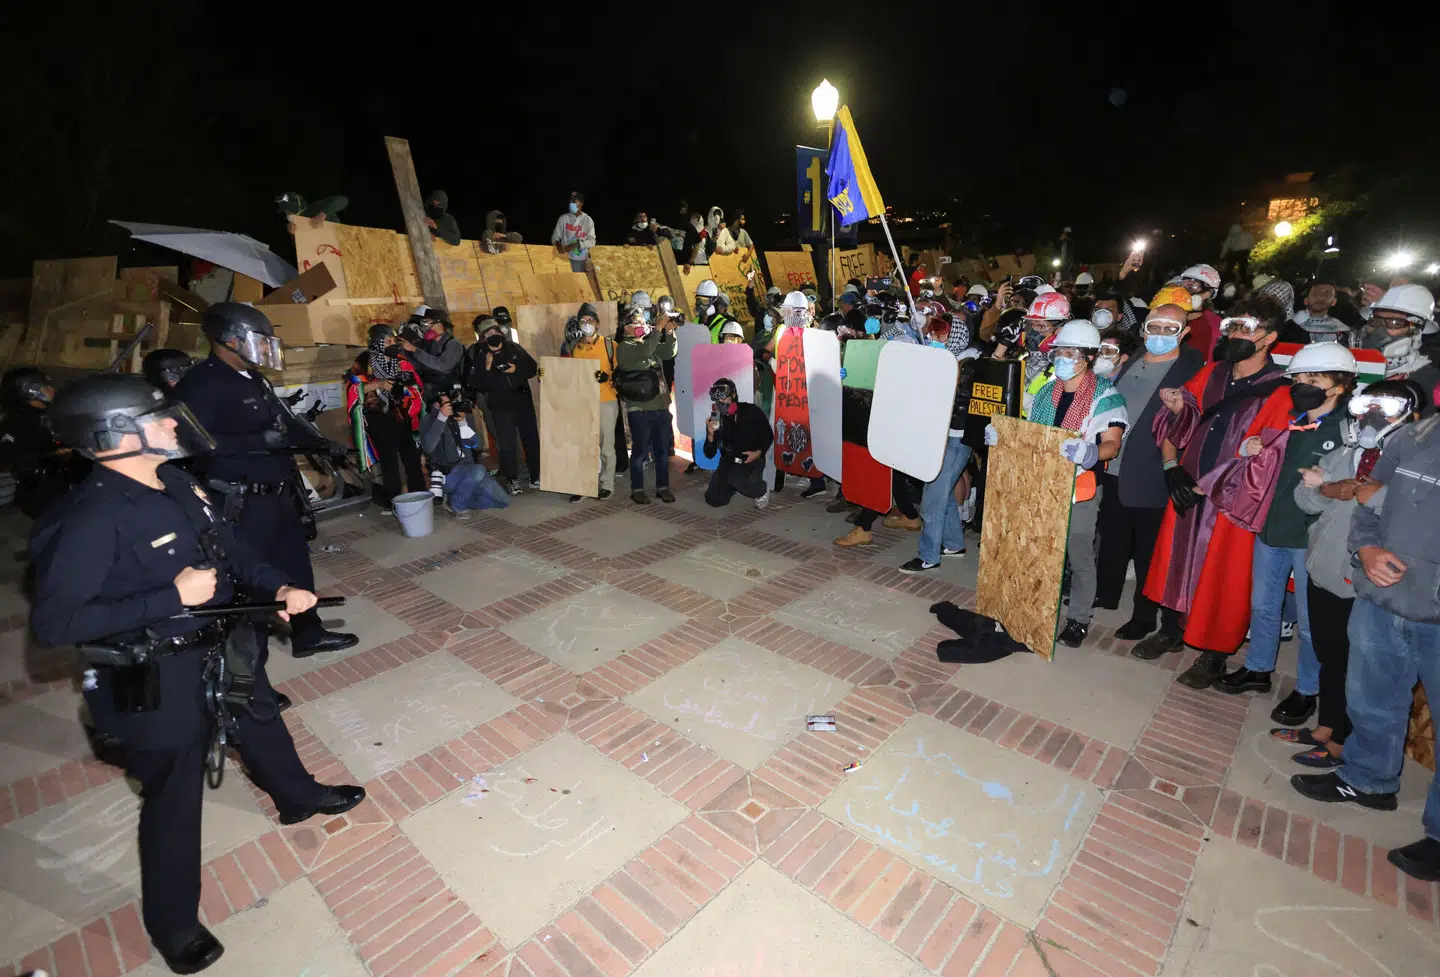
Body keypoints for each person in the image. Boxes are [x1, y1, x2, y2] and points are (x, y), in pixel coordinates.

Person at [30, 374, 364, 973]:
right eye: (157, 419)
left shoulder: (174, 480)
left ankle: (297, 795)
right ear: (113, 437)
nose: (171, 425)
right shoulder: (88, 519)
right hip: (153, 672)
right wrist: (168, 595)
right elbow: (56, 625)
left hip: (220, 642)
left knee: (261, 721)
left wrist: (279, 585)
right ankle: (174, 924)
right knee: (174, 794)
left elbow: (228, 547)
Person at [1289, 407, 1440, 884]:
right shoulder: (1414, 438)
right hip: (1383, 595)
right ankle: (1369, 780)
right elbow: (1365, 501)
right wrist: (1367, 550)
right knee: (1373, 699)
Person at [173, 303, 357, 657]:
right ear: (229, 340)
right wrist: (256, 442)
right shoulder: (201, 384)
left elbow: (284, 422)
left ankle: (308, 633)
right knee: (250, 584)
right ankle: (252, 677)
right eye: (258, 341)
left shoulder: (254, 378)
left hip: (278, 496)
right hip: (242, 504)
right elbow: (188, 443)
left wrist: (321, 444)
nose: (265, 349)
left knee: (296, 567)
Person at [1135, 293, 1295, 686]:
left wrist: (1210, 485)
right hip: (1187, 486)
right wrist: (1172, 467)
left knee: (1225, 573)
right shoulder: (1212, 373)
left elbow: (1268, 457)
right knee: (1176, 559)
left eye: (1248, 327)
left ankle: (1214, 654)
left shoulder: (1280, 390)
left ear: (1269, 337)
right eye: (1234, 325)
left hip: (1233, 499)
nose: (1238, 333)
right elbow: (1173, 417)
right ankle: (1171, 631)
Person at [1278, 379, 1426, 767]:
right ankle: (1325, 728)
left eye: (1389, 406)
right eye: (1369, 404)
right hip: (1324, 565)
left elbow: (1405, 512)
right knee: (1329, 654)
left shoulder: (1411, 463)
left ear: (1413, 416)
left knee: (1354, 664)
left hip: (1363, 578)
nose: (1375, 414)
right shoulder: (1348, 449)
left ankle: (1342, 743)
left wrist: (1340, 488)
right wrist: (1328, 488)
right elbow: (1305, 498)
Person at [1212, 343, 1359, 726]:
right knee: (1264, 605)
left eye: (1315, 379)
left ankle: (1307, 689)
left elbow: (1357, 486)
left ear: (1339, 386)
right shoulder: (1293, 419)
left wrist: (1330, 481)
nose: (1303, 385)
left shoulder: (1349, 431)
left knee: (1311, 623)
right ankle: (1258, 669)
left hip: (1313, 536)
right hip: (1275, 525)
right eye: (1299, 378)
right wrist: (1253, 448)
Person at [985, 321, 1128, 646]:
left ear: (1088, 356)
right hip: (1040, 482)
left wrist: (1091, 452)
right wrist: (1003, 436)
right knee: (1035, 550)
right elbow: (1029, 429)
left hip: (1080, 488)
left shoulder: (1106, 397)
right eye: (1058, 351)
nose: (1061, 357)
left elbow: (1113, 444)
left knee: (1078, 555)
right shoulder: (1047, 390)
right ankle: (1030, 609)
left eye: (1069, 352)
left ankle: (1078, 619)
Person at [1094, 305, 1205, 639]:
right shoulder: (1133, 358)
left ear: (1184, 332)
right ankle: (1107, 594)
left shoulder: (1191, 368)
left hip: (1151, 473)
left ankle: (1145, 616)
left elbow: (1195, 422)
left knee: (1148, 553)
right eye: (1154, 326)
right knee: (1113, 538)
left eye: (1169, 328)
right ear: (1143, 328)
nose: (1159, 334)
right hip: (1113, 467)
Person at [900, 311, 979, 573]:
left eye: (941, 333)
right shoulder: (945, 358)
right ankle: (954, 544)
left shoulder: (969, 362)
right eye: (932, 332)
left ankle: (928, 556)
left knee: (933, 498)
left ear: (955, 334)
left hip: (955, 438)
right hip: (941, 435)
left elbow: (955, 395)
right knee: (941, 496)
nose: (935, 337)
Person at [349, 324, 426, 511]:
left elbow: (416, 385)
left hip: (402, 415)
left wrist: (406, 389)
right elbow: (352, 388)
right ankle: (393, 501)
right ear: (376, 342)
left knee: (412, 457)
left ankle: (421, 496)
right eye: (388, 340)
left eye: (393, 340)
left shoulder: (400, 359)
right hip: (378, 418)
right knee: (389, 461)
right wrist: (379, 384)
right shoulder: (364, 361)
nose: (392, 344)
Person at [0, 367, 84, 518]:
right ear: (31, 391)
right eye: (45, 386)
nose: (51, 389)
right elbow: (13, 459)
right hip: (40, 492)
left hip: (61, 482)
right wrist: (53, 455)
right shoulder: (17, 422)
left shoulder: (48, 414)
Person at [470, 318, 540, 494]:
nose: (493, 335)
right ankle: (513, 479)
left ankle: (536, 475)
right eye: (488, 334)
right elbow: (479, 384)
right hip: (501, 406)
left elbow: (532, 368)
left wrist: (516, 369)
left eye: (494, 332)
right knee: (507, 443)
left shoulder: (514, 348)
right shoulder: (481, 356)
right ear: (483, 338)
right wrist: (486, 367)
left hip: (522, 400)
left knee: (531, 438)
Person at [616, 306, 677, 503]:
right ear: (625, 327)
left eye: (643, 322)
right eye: (636, 322)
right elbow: (645, 351)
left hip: (660, 405)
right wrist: (658, 329)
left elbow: (668, 352)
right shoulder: (625, 347)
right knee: (640, 452)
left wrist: (669, 331)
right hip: (640, 409)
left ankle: (663, 486)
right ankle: (637, 488)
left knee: (661, 451)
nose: (641, 325)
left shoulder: (646, 342)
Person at [561, 302, 620, 501]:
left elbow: (622, 375)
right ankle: (584, 485)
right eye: (583, 321)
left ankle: (607, 484)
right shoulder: (573, 347)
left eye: (590, 320)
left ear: (598, 324)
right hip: (582, 403)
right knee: (583, 446)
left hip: (606, 401)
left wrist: (608, 377)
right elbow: (565, 373)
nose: (586, 323)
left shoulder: (610, 346)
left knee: (606, 447)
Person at [418, 389, 507, 516]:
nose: (451, 405)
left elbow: (478, 446)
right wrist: (441, 419)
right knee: (479, 471)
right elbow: (428, 447)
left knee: (501, 500)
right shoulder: (429, 420)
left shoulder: (461, 416)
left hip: (468, 469)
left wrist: (464, 425)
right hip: (448, 475)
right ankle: (456, 504)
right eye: (446, 403)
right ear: (437, 404)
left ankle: (463, 495)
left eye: (451, 401)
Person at [1357, 283, 1440, 402]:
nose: (1380, 329)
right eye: (1375, 321)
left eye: (1394, 322)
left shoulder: (1430, 382)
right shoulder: (1349, 368)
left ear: (1415, 332)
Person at [702, 378, 773, 507]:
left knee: (735, 477)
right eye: (717, 400)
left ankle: (761, 489)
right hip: (728, 462)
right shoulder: (717, 418)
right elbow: (709, 453)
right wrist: (710, 435)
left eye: (724, 399)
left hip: (749, 460)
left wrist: (758, 452)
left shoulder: (750, 411)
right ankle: (734, 487)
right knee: (714, 499)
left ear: (733, 395)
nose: (720, 403)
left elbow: (768, 435)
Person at [400, 307, 465, 393]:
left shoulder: (453, 344)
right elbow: (422, 366)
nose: (425, 329)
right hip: (431, 390)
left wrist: (414, 349)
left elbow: (442, 366)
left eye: (428, 324)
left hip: (449, 391)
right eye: (424, 325)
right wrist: (403, 354)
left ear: (439, 324)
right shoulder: (429, 343)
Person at [1173, 263, 1223, 359]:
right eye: (1182, 286)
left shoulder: (1205, 325)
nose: (1184, 292)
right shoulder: (1173, 316)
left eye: (1191, 287)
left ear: (1208, 293)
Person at [1282, 280, 1351, 345]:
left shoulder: (1342, 331)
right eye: (1316, 294)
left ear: (1334, 302)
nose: (1320, 297)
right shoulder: (1288, 327)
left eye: (1327, 294)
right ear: (1306, 300)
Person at [550, 191, 596, 272]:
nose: (571, 204)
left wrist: (577, 244)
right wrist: (558, 244)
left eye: (574, 202)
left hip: (581, 262)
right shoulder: (563, 218)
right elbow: (555, 236)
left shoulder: (588, 220)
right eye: (570, 202)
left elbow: (592, 241)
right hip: (564, 260)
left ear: (581, 203)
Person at [276, 191, 348, 232]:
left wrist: (323, 214)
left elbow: (343, 200)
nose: (286, 215)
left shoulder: (316, 207)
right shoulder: (296, 224)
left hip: (339, 235)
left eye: (288, 211)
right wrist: (294, 235)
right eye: (285, 212)